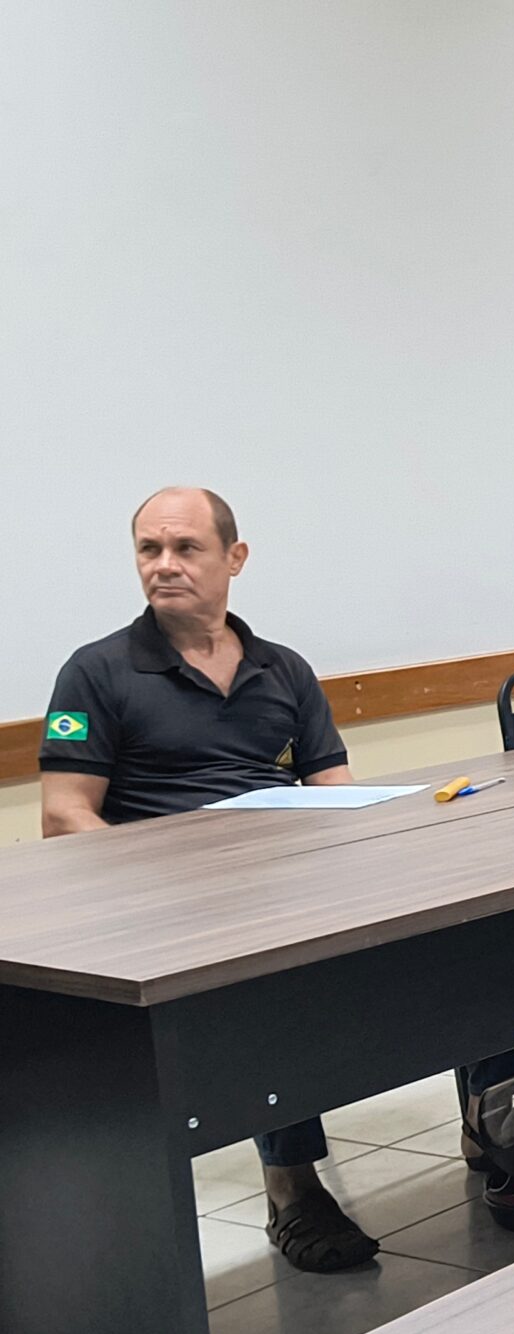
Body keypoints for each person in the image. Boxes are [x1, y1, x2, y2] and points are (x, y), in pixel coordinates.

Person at [38, 488, 380, 1272]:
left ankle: (502, 1131)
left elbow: (334, 785)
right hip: (163, 903)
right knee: (272, 991)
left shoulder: (281, 667)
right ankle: (292, 1186)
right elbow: (64, 818)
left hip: (282, 882)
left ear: (235, 558)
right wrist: (160, 887)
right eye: (148, 550)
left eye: (185, 548)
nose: (163, 566)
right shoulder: (95, 672)